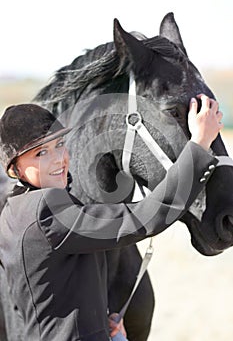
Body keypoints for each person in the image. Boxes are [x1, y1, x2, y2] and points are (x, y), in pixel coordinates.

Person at [0, 95, 223, 341]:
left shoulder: (13, 211)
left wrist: (93, 324)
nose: (58, 159)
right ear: (14, 170)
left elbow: (45, 298)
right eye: (41, 153)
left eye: (60, 144)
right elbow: (143, 217)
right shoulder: (46, 212)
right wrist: (200, 145)